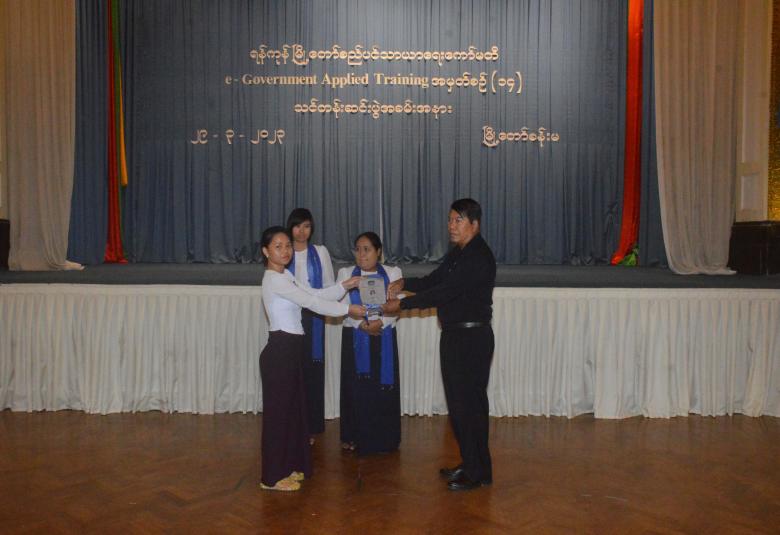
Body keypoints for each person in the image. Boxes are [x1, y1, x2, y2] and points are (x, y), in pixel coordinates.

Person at [383, 199, 496, 491]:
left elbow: (445, 292)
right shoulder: (459, 253)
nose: (451, 226)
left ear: (474, 224)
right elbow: (435, 280)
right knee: (462, 406)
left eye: (458, 220)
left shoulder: (477, 256)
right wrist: (405, 282)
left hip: (470, 339)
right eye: (450, 220)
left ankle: (476, 472)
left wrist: (402, 304)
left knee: (467, 407)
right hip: (457, 337)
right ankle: (474, 466)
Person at [258, 226, 364, 491]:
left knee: (293, 413)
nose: (285, 251)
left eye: (287, 246)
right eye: (278, 246)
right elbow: (312, 304)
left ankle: (287, 466)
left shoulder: (286, 276)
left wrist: (344, 286)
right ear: (266, 251)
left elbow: (314, 294)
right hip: (280, 350)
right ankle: (271, 477)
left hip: (292, 348)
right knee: (279, 417)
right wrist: (348, 309)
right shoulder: (274, 280)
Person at [336, 232, 402, 455]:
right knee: (356, 387)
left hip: (384, 335)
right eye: (358, 249)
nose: (361, 254)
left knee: (382, 388)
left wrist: (380, 322)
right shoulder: (346, 274)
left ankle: (385, 438)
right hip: (355, 336)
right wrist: (362, 325)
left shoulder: (392, 273)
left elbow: (398, 305)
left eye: (367, 249)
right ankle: (354, 435)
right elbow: (341, 306)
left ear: (378, 251)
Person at [286, 208, 335, 439]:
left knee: (312, 370)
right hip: (289, 317)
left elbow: (329, 285)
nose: (301, 231)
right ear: (290, 227)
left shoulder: (320, 252)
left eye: (306, 226)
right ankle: (293, 424)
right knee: (292, 370)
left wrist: (318, 301)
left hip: (314, 317)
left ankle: (311, 425)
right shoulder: (284, 252)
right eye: (297, 226)